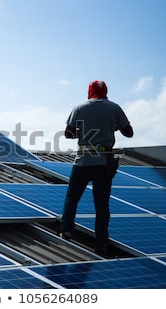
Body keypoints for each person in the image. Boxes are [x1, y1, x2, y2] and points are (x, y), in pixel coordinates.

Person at [59, 80, 133, 256]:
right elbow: (129, 132)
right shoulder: (114, 108)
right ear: (106, 91)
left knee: (72, 198)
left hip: (83, 161)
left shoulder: (79, 108)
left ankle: (66, 230)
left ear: (89, 92)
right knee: (101, 205)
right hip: (104, 162)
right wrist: (111, 128)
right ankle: (100, 244)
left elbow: (68, 133)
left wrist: (84, 132)